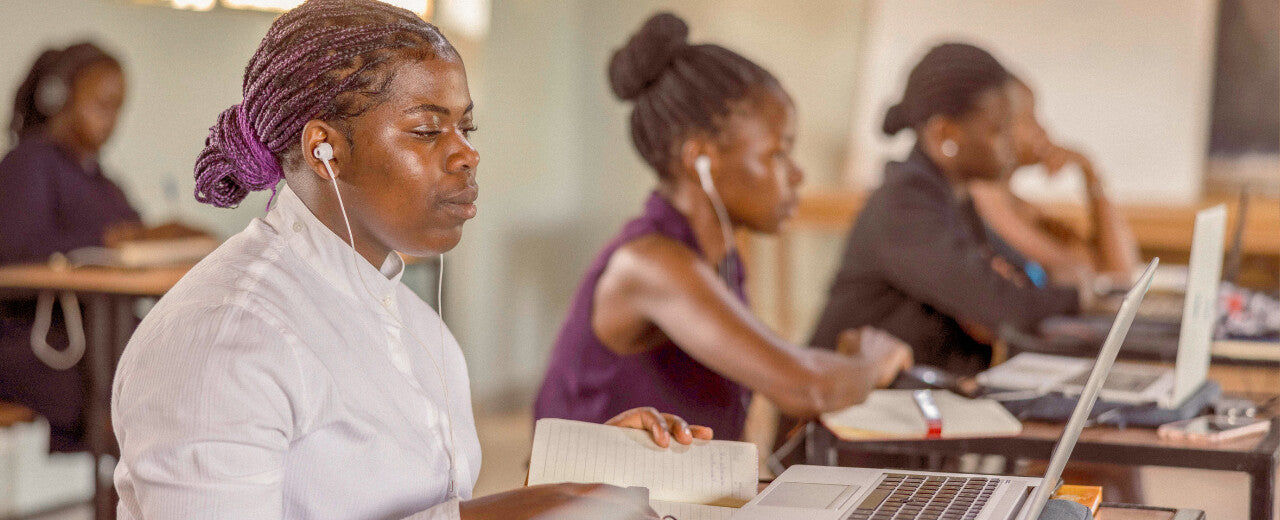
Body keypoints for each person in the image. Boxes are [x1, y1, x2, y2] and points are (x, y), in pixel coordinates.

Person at [112, 2, 707, 519]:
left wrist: (574, 485)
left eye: (467, 127)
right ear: (327, 151)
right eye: (427, 131)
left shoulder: (408, 320)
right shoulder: (226, 339)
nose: (467, 155)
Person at [534, 13, 912, 442]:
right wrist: (871, 363)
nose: (797, 175)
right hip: (587, 506)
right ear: (701, 160)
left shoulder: (719, 259)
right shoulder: (651, 263)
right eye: (777, 153)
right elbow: (803, 385)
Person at [808, 43, 1088, 377]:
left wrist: (1013, 295)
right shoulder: (905, 205)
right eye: (998, 131)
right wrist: (1078, 294)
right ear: (945, 134)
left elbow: (1019, 284)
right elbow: (1002, 306)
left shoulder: (953, 199)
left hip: (912, 406)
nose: (1011, 146)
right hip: (846, 418)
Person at [0, 42, 196, 452]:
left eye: (118, 107)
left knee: (183, 356)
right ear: (59, 99)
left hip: (97, 337)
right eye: (101, 105)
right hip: (36, 342)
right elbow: (17, 254)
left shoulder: (101, 179)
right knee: (147, 387)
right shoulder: (28, 163)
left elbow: (131, 234)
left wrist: (159, 235)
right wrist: (107, 241)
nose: (111, 121)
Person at [968, 77, 1139, 286]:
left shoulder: (1024, 207)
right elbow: (1086, 274)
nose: (1043, 130)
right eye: (1029, 118)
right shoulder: (983, 195)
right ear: (999, 125)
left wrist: (1090, 173)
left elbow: (1120, 273)